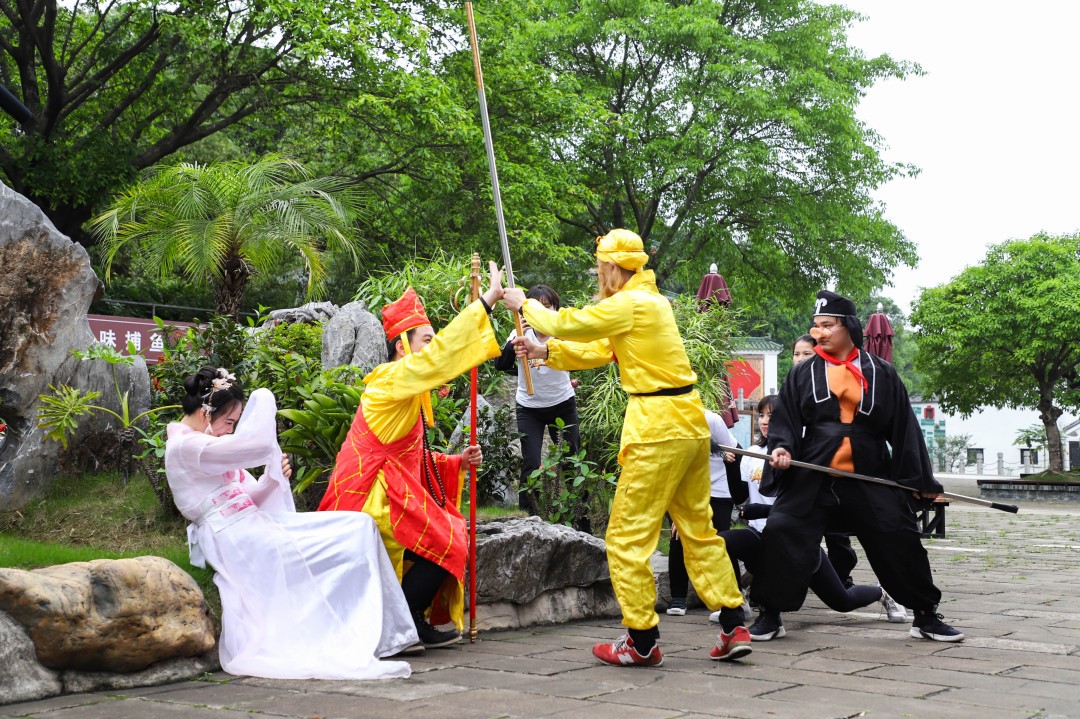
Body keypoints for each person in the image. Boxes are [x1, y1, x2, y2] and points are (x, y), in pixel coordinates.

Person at [504, 229, 750, 666]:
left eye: (601, 269)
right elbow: (601, 349)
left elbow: (569, 323)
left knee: (625, 538)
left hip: (657, 429)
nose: (599, 277)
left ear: (613, 268)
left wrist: (524, 305)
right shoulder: (649, 301)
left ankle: (641, 641)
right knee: (698, 529)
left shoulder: (630, 302)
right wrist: (544, 352)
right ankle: (733, 623)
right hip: (689, 423)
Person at [164, 367, 417, 680]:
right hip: (234, 540)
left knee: (360, 525)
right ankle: (359, 634)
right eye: (229, 422)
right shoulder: (185, 448)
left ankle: (384, 634)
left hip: (253, 526)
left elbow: (248, 494)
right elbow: (254, 446)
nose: (230, 431)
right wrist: (264, 398)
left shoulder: (208, 444)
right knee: (350, 533)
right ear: (206, 413)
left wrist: (273, 476)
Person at [754, 290, 964, 642]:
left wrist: (920, 480)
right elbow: (785, 421)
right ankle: (770, 614)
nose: (819, 333)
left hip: (869, 474)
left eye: (827, 325)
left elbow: (905, 429)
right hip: (813, 473)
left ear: (848, 326)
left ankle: (925, 615)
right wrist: (782, 448)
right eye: (816, 325)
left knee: (899, 534)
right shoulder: (802, 373)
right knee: (782, 529)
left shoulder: (882, 373)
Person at [319, 263, 506, 649]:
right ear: (403, 347)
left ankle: (408, 618)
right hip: (369, 496)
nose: (432, 347)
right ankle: (404, 621)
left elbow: (409, 455)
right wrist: (487, 300)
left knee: (450, 536)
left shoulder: (405, 385)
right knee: (448, 539)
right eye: (426, 340)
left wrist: (456, 462)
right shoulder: (391, 378)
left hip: (389, 490)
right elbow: (440, 359)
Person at [704, 395, 906, 640]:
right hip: (759, 534)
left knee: (842, 601)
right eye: (762, 416)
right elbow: (739, 497)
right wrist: (730, 464)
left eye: (772, 416)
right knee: (717, 544)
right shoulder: (752, 453)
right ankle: (739, 603)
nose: (765, 421)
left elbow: (802, 506)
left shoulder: (802, 456)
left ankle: (882, 593)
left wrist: (764, 510)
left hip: (797, 540)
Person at [493, 284, 584, 529]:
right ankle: (527, 521)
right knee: (531, 462)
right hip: (529, 408)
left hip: (562, 404)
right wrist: (515, 341)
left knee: (572, 461)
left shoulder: (561, 333)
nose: (542, 311)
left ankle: (581, 522)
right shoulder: (518, 332)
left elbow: (580, 357)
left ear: (555, 310)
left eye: (547, 306)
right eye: (536, 306)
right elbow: (500, 365)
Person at [665, 411, 743, 616]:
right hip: (687, 489)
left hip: (719, 487)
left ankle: (733, 598)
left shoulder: (711, 420)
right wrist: (678, 513)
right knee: (678, 536)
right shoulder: (665, 423)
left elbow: (736, 452)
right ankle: (678, 598)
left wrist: (738, 492)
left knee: (720, 540)